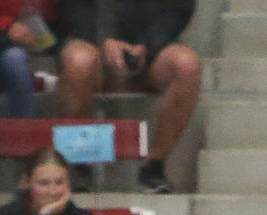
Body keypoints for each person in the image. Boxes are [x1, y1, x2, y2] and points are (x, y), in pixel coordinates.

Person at [54, 0, 199, 194]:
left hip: (154, 43)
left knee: (187, 65)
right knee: (78, 63)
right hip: (89, 37)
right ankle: (79, 163)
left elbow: (180, 7)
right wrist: (103, 39)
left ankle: (154, 165)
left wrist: (147, 45)